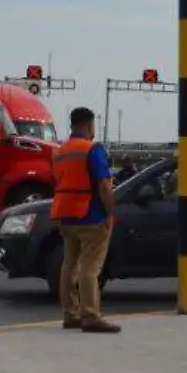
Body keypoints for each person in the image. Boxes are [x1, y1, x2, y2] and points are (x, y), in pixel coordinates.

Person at [50, 107, 120, 332]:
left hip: (66, 215)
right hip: (91, 216)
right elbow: (104, 185)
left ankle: (70, 314)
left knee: (69, 266)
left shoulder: (60, 151)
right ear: (89, 125)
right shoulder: (93, 149)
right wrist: (110, 213)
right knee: (90, 269)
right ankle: (90, 316)